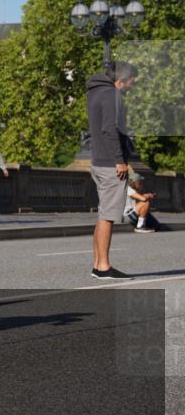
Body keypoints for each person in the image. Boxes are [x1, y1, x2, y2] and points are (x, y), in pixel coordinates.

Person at [86, 61, 138, 280]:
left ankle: (98, 264)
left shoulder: (96, 91)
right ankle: (104, 266)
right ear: (120, 81)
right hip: (110, 163)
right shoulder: (112, 95)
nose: (132, 86)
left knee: (103, 213)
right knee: (108, 215)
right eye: (131, 82)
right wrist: (120, 160)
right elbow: (110, 129)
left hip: (99, 159)